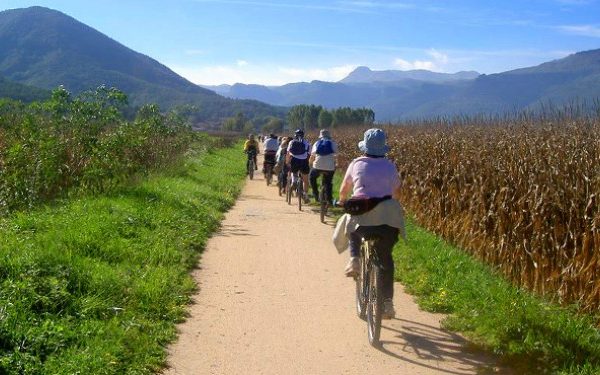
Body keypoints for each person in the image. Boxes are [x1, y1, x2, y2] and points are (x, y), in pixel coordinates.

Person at [336, 128, 405, 319]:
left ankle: (354, 259)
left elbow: (344, 189)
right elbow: (398, 193)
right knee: (385, 259)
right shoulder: (390, 166)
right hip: (387, 218)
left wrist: (342, 200)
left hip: (363, 213)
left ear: (364, 147)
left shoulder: (356, 164)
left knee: (353, 226)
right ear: (383, 148)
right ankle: (387, 303)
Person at [309, 129, 337, 203]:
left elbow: (312, 156)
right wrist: (337, 164)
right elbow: (337, 155)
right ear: (329, 136)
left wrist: (311, 164)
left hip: (317, 166)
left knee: (312, 177)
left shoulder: (317, 143)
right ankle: (329, 199)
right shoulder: (333, 143)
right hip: (329, 167)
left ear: (320, 136)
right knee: (328, 182)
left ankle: (316, 194)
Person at [285, 129, 311, 203]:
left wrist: (287, 162)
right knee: (305, 180)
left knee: (294, 172)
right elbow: (309, 154)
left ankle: (294, 181)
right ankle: (305, 195)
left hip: (294, 160)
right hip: (304, 161)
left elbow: (288, 153)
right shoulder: (307, 143)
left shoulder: (291, 142)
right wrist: (307, 161)